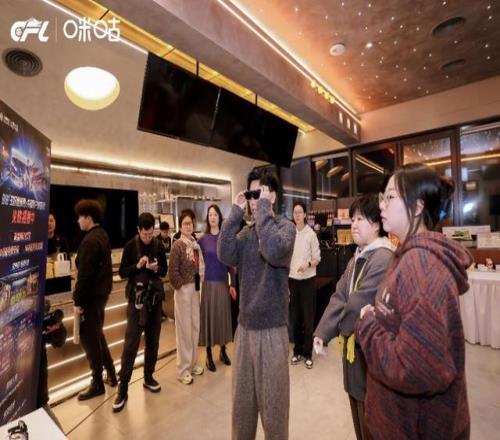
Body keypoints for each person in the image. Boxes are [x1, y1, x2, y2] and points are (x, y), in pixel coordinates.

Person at [356, 163, 472, 439]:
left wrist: (368, 325)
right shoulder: (408, 255)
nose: (381, 205)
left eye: (390, 197)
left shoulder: (422, 266)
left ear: (418, 207)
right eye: (383, 197)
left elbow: (415, 368)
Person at [218, 170, 296, 440]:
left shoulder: (285, 228)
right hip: (244, 330)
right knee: (242, 412)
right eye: (252, 195)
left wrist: (263, 210)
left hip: (273, 331)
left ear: (272, 196)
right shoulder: (246, 233)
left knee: (274, 414)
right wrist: (234, 215)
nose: (254, 200)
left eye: (259, 194)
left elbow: (272, 250)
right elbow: (225, 254)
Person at [313, 195, 395, 440]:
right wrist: (322, 332)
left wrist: (336, 327)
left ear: (376, 224)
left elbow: (356, 303)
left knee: (370, 418)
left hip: (369, 352)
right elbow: (340, 294)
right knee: (357, 408)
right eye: (352, 219)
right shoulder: (359, 255)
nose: (354, 225)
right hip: (354, 349)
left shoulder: (382, 257)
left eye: (360, 219)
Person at [113, 212, 168, 412]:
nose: (147, 237)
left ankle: (148, 376)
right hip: (136, 302)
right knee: (131, 344)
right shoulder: (130, 246)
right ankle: (123, 387)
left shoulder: (158, 245)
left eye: (150, 234)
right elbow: (122, 272)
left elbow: (164, 271)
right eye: (144, 234)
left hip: (154, 300)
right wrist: (137, 266)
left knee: (153, 341)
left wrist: (155, 268)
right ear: (138, 230)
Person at [73, 199, 116, 400]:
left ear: (88, 218)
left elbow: (85, 276)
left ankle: (97, 383)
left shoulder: (90, 241)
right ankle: (112, 375)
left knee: (90, 341)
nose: (78, 221)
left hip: (90, 299)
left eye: (80, 217)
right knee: (97, 336)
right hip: (100, 296)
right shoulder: (102, 235)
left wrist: (77, 301)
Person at [168, 209, 205, 385]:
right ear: (180, 226)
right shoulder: (177, 245)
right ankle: (183, 370)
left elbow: (199, 268)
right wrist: (181, 286)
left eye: (190, 223)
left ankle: (193, 363)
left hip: (195, 290)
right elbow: (172, 271)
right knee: (184, 330)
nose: (188, 226)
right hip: (183, 290)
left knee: (195, 327)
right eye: (185, 224)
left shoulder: (195, 244)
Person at [198, 204, 236, 372]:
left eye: (215, 214)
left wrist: (233, 283)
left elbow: (231, 265)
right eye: (210, 214)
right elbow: (195, 263)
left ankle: (222, 350)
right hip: (207, 285)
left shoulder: (225, 239)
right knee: (209, 319)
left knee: (222, 318)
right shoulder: (202, 240)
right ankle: (208, 354)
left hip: (222, 284)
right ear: (208, 218)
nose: (212, 217)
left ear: (220, 217)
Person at [288, 202, 321, 369]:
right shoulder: (290, 233)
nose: (297, 215)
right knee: (295, 318)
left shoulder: (311, 234)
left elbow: (317, 258)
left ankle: (308, 353)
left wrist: (307, 264)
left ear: (305, 215)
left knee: (308, 318)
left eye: (300, 212)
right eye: (295, 212)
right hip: (292, 280)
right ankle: (297, 351)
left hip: (308, 280)